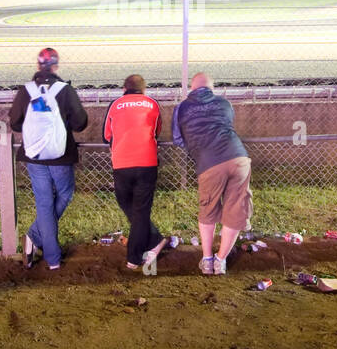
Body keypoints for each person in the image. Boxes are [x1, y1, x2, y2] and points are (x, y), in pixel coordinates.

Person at [9, 48, 89, 270]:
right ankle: (33, 237)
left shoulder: (26, 91)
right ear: (55, 66)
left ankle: (52, 260)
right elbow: (80, 123)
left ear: (37, 66)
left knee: (44, 203)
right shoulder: (65, 90)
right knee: (65, 193)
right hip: (60, 155)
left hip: (33, 155)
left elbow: (15, 123)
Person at [173, 72, 252, 276]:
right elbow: (227, 126)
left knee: (208, 210)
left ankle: (207, 260)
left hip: (209, 163)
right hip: (238, 157)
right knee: (236, 210)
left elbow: (178, 139)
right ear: (211, 88)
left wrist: (197, 147)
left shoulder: (182, 107)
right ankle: (221, 261)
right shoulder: (224, 103)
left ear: (191, 88)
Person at [103, 74, 169, 270]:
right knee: (140, 210)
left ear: (124, 89)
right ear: (144, 90)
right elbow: (156, 132)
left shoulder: (115, 105)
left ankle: (134, 257)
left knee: (127, 204)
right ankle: (155, 240)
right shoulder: (152, 103)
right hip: (147, 162)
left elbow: (106, 136)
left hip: (121, 163)